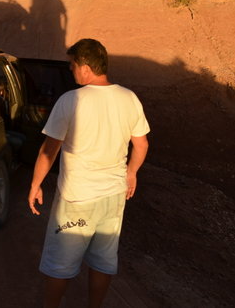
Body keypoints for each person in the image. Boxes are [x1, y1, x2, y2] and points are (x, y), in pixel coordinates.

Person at [28, 38, 149, 308]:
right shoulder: (129, 97)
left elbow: (49, 150)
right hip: (113, 198)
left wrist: (36, 184)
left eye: (72, 66)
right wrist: (131, 173)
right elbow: (141, 144)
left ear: (84, 67)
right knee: (104, 261)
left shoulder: (71, 100)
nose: (71, 71)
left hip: (77, 199)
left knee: (59, 265)